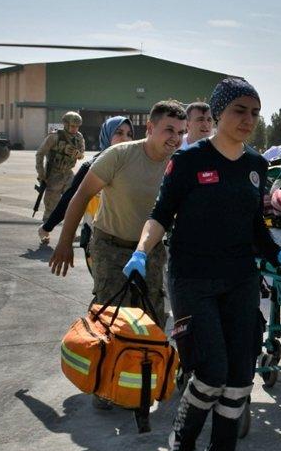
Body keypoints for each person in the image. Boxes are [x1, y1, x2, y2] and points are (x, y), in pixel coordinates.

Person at [130, 77, 281, 451]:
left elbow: (255, 227)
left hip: (241, 278)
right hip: (192, 277)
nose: (248, 119)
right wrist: (140, 251)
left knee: (241, 376)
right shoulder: (188, 160)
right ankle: (184, 440)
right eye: (239, 111)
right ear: (219, 113)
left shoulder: (256, 165)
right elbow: (161, 214)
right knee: (210, 373)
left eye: (255, 113)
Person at [48, 102, 187, 320]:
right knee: (113, 318)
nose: (175, 138)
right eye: (169, 130)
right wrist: (65, 242)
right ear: (150, 128)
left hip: (150, 251)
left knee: (151, 319)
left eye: (181, 132)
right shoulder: (119, 155)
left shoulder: (179, 164)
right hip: (111, 248)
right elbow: (81, 196)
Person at [40, 116, 134, 250]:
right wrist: (47, 227)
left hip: (130, 239)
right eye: (119, 133)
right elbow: (70, 199)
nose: (125, 138)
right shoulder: (92, 167)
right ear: (107, 135)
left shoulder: (136, 165)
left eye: (129, 134)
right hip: (97, 239)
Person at [35, 111, 86, 236]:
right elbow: (40, 153)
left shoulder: (79, 137)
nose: (75, 129)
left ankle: (71, 232)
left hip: (68, 174)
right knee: (51, 206)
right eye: (72, 126)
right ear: (66, 125)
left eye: (77, 126)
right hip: (54, 174)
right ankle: (45, 232)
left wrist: (78, 155)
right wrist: (41, 173)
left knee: (72, 202)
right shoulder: (54, 137)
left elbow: (82, 154)